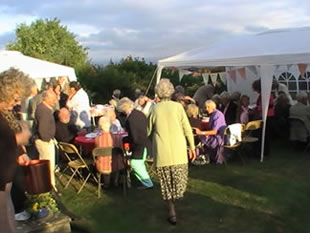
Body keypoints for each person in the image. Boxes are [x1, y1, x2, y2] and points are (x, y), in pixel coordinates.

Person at [147, 79, 196, 225]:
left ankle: (171, 208)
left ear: (158, 92)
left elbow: (148, 131)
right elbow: (187, 128)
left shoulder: (154, 109)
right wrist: (192, 147)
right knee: (178, 182)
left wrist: (153, 137)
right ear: (171, 91)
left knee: (166, 183)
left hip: (162, 152)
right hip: (179, 151)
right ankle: (173, 206)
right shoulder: (178, 107)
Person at [0, 68, 32, 232]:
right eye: (15, 98)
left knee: (8, 213)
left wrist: (20, 153)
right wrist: (20, 138)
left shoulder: (6, 113)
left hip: (6, 177)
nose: (18, 102)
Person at [117, 97, 153, 190]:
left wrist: (127, 141)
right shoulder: (139, 113)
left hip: (140, 144)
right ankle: (146, 181)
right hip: (145, 142)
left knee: (135, 163)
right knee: (138, 163)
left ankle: (147, 182)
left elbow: (134, 135)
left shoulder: (131, 119)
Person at [34, 90, 58, 190]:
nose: (55, 101)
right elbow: (42, 130)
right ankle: (49, 187)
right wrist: (48, 139)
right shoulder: (44, 110)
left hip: (45, 140)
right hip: (45, 142)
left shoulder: (44, 108)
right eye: (52, 99)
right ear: (45, 98)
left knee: (49, 166)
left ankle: (49, 186)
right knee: (48, 166)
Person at [194, 100, 227, 164]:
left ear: (213, 107)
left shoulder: (217, 115)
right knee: (201, 136)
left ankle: (200, 156)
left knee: (199, 137)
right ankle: (203, 156)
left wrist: (202, 133)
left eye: (208, 107)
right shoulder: (213, 114)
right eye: (205, 107)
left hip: (218, 138)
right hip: (215, 136)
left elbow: (215, 131)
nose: (206, 109)